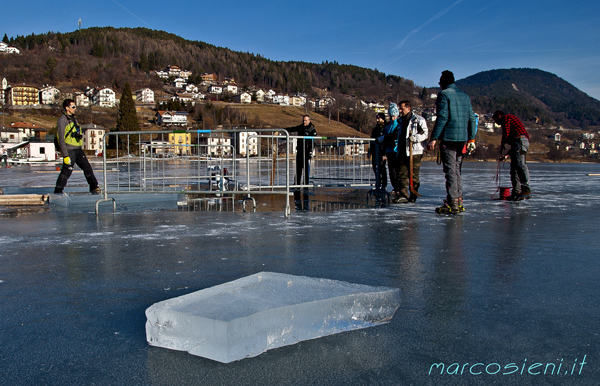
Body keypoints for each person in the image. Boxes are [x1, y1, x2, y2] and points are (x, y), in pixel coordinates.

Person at [427, 70, 477, 214]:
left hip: (449, 138)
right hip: (462, 139)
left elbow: (442, 117)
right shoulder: (465, 96)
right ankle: (458, 199)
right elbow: (472, 118)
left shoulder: (444, 95)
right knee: (457, 169)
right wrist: (471, 138)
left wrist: (434, 138)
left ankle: (453, 202)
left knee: (450, 170)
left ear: (442, 83)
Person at [54, 99, 101, 194]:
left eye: (75, 106)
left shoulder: (74, 118)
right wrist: (65, 155)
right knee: (67, 170)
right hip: (69, 149)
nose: (75, 108)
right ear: (67, 108)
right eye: (73, 107)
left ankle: (94, 187)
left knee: (87, 168)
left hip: (78, 149)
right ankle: (58, 190)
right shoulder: (62, 120)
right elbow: (61, 139)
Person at [393, 100, 429, 203]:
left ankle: (413, 195)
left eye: (402, 108)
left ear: (408, 108)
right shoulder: (400, 121)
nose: (400, 111)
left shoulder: (418, 120)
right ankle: (403, 195)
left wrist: (415, 138)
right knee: (401, 174)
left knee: (413, 175)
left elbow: (425, 134)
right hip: (402, 151)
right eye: (399, 108)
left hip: (414, 152)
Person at [493, 110, 531, 200]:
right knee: (514, 169)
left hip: (521, 141)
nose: (496, 122)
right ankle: (516, 192)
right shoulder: (512, 132)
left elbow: (506, 133)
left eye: (495, 119)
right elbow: (514, 144)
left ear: (499, 116)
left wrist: (503, 145)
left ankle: (526, 189)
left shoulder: (507, 118)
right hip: (518, 142)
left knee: (520, 165)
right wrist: (506, 155)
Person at [285, 114, 317, 209]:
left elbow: (313, 140)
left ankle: (306, 185)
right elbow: (293, 128)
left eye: (306, 120)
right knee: (298, 169)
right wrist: (283, 130)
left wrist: (311, 151)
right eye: (303, 120)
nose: (304, 122)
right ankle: (297, 185)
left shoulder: (312, 128)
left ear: (309, 120)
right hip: (300, 151)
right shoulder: (301, 127)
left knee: (306, 170)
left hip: (306, 152)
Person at [380, 103, 401, 199]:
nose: (392, 118)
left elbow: (396, 136)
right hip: (389, 151)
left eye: (394, 116)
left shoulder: (399, 124)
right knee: (391, 171)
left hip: (397, 150)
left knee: (397, 171)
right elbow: (385, 139)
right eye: (391, 116)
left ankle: (399, 188)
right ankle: (395, 187)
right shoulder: (388, 126)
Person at [369, 112, 388, 191]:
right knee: (375, 167)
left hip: (382, 151)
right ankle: (378, 182)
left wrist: (385, 154)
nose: (377, 120)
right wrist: (370, 151)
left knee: (382, 168)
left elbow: (386, 141)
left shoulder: (386, 128)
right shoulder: (375, 129)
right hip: (375, 151)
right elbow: (372, 141)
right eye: (377, 118)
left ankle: (383, 184)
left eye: (379, 118)